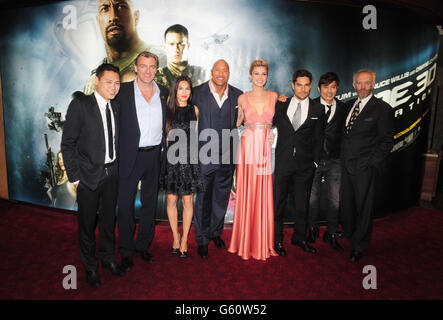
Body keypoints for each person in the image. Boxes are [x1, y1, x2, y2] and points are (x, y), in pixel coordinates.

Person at [61, 63, 124, 287]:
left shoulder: (115, 107)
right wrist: (75, 178)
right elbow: (68, 144)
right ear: (97, 81)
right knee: (87, 225)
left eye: (117, 83)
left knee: (108, 221)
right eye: (109, 82)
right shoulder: (81, 105)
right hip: (87, 177)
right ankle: (90, 266)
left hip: (112, 174)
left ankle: (108, 258)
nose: (114, 87)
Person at [115, 51, 169, 270]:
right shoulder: (123, 92)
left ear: (156, 69)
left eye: (152, 66)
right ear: (136, 67)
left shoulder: (163, 92)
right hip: (130, 155)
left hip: (154, 155)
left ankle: (143, 246)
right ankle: (126, 250)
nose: (148, 70)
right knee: (125, 205)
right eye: (143, 66)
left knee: (149, 204)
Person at [227, 59, 278, 261]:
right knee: (247, 192)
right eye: (256, 73)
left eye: (263, 74)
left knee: (263, 193)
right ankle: (245, 240)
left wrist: (272, 132)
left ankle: (262, 241)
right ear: (250, 75)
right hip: (247, 148)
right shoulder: (241, 98)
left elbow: (280, 120)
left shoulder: (275, 96)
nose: (260, 77)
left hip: (265, 148)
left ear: (267, 76)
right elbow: (238, 122)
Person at [341, 69, 394, 262]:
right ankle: (348, 232)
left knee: (364, 208)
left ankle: (359, 245)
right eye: (359, 83)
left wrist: (369, 163)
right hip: (345, 165)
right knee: (347, 203)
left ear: (373, 84)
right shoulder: (348, 105)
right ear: (354, 85)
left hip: (365, 168)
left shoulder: (382, 109)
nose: (362, 87)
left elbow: (387, 141)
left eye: (366, 83)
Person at [192, 59, 242, 259]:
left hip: (228, 154)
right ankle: (202, 238)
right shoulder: (196, 93)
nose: (221, 73)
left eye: (225, 70)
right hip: (204, 154)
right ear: (211, 71)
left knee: (221, 197)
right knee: (203, 198)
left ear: (229, 73)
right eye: (218, 69)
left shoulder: (238, 95)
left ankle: (215, 233)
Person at [273, 69, 325, 256]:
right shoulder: (281, 105)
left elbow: (319, 138)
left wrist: (315, 163)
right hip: (283, 163)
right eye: (299, 85)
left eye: (306, 85)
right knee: (278, 203)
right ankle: (277, 240)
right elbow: (267, 124)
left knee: (302, 205)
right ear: (293, 85)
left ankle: (299, 238)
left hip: (305, 166)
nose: (303, 89)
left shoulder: (318, 109)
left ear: (311, 86)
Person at [160, 75, 204, 258]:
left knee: (187, 202)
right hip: (171, 161)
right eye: (180, 88)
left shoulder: (195, 110)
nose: (184, 92)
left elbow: (195, 138)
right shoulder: (167, 111)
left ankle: (185, 238)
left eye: (187, 89)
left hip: (189, 162)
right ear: (175, 90)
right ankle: (175, 237)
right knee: (171, 201)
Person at [307, 72, 348, 252]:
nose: (329, 91)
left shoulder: (344, 108)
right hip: (313, 161)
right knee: (311, 199)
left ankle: (331, 233)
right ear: (319, 88)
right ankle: (312, 228)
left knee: (335, 200)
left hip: (335, 161)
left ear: (337, 88)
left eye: (333, 87)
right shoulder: (310, 105)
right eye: (326, 87)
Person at [84, 0, 160, 94]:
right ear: (98, 21)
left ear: (136, 17)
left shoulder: (161, 60)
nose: (113, 17)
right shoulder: (93, 80)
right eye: (104, 8)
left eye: (121, 7)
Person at [154, 24, 206, 90]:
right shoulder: (154, 77)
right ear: (164, 47)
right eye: (171, 44)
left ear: (188, 46)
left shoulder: (202, 75)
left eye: (181, 44)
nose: (176, 49)